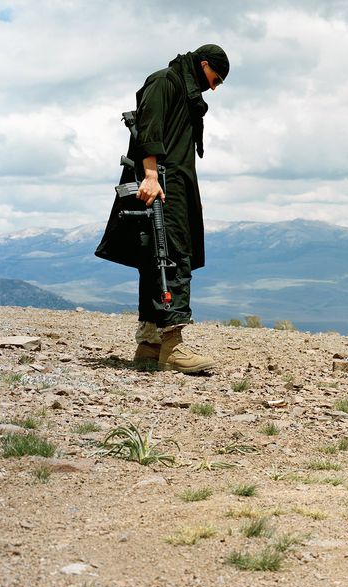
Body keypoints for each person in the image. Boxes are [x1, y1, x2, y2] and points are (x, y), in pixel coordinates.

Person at [95, 44, 229, 373]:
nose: (215, 86)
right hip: (164, 185)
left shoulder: (185, 92)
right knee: (172, 259)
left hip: (177, 187)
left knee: (156, 260)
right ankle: (172, 346)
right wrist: (151, 176)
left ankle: (149, 345)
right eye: (216, 77)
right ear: (203, 64)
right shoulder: (165, 82)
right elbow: (150, 130)